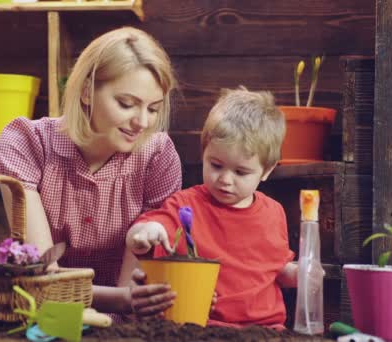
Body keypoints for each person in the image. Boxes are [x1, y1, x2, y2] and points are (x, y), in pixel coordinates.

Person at [0, 27, 180, 317]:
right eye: (126, 104)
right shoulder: (26, 143)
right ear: (86, 91)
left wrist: (122, 309)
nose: (142, 122)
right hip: (46, 314)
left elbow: (133, 291)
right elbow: (44, 277)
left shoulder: (158, 155)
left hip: (123, 323)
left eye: (153, 109)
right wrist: (121, 300)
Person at [125, 86, 314, 329]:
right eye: (216, 165)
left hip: (266, 329)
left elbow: (275, 270)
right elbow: (141, 232)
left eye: (240, 172)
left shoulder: (274, 212)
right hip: (201, 327)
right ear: (203, 153)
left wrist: (300, 275)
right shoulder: (186, 205)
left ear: (267, 170)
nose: (225, 179)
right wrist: (145, 232)